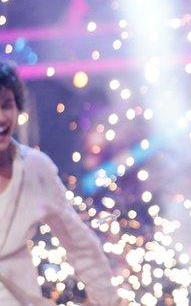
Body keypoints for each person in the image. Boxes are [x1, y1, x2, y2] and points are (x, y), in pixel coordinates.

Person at [0, 61, 119, 305]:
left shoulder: (35, 168)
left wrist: (108, 301)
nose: (1, 117)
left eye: (6, 105)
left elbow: (82, 246)